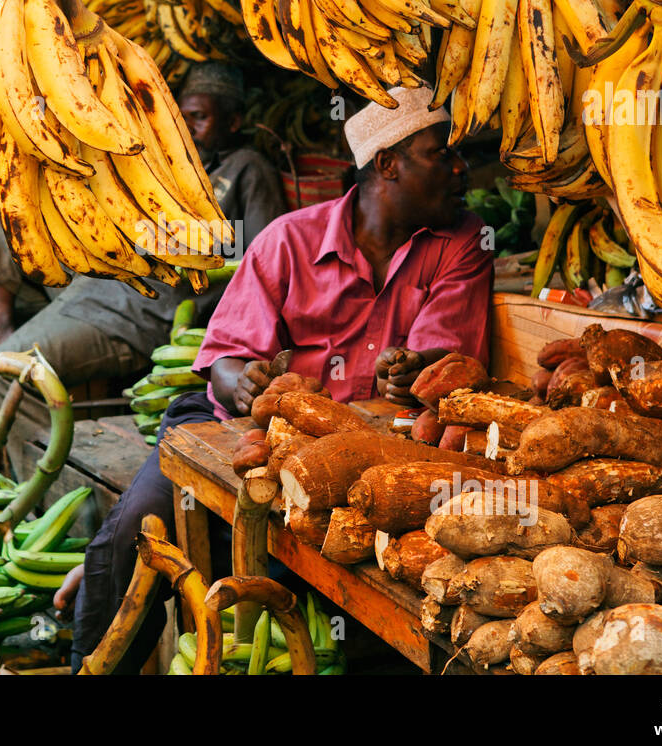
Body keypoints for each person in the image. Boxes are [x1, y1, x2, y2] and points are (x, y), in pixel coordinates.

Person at [64, 83, 494, 672]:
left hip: (374, 457)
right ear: (387, 164)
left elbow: (444, 366)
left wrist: (412, 377)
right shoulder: (289, 241)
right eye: (441, 153)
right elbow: (223, 361)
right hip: (241, 437)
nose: (460, 167)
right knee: (132, 536)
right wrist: (242, 382)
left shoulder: (461, 243)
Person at [0, 62, 287, 455]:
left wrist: (179, 244)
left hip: (138, 311)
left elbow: (260, 262)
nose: (187, 128)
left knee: (2, 371)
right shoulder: (161, 161)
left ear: (234, 121)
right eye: (180, 117)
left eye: (200, 117)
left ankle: (59, 493)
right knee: (22, 177)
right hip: (96, 279)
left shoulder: (247, 170)